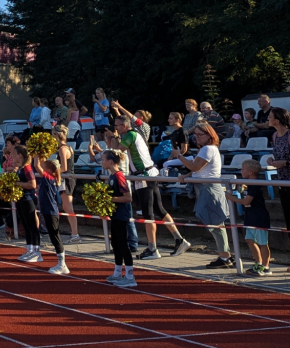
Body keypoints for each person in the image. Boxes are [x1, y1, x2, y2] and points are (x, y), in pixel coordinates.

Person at [113, 113, 190, 259]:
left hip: (143, 176)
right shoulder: (133, 134)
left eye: (116, 126)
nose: (115, 128)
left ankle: (152, 249)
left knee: (148, 213)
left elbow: (117, 153)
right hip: (149, 174)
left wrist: (105, 147)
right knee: (158, 209)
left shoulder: (130, 135)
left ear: (124, 125)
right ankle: (179, 239)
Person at [177, 123, 232, 269]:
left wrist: (179, 156)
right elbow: (197, 170)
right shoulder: (207, 149)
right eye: (195, 135)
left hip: (209, 189)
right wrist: (186, 175)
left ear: (209, 135)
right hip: (204, 188)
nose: (197, 138)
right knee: (215, 224)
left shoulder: (208, 148)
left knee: (216, 224)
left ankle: (225, 257)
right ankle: (224, 256)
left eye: (200, 135)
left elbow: (195, 167)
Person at [225, 159, 271, 276]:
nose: (241, 171)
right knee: (249, 240)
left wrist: (231, 198)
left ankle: (266, 266)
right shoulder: (249, 183)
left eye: (243, 169)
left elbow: (246, 201)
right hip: (250, 216)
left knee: (262, 242)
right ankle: (258, 262)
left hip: (259, 216)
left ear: (250, 172)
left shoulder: (255, 184)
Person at [102, 149, 135, 287]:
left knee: (123, 245)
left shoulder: (119, 176)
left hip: (122, 215)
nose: (101, 162)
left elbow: (128, 197)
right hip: (115, 214)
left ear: (110, 162)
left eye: (103, 160)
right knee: (115, 244)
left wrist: (109, 199)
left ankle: (130, 276)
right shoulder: (111, 176)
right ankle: (117, 273)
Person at [32, 157, 68, 274]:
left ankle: (62, 264)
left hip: (51, 211)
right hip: (48, 211)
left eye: (44, 167)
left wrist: (36, 154)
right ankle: (61, 263)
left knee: (55, 237)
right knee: (53, 237)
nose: (41, 167)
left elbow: (37, 166)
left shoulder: (49, 178)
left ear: (48, 170)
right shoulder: (51, 178)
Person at [51, 126, 81, 243]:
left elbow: (64, 167)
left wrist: (52, 171)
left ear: (56, 135)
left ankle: (75, 234)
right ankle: (74, 233)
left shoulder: (63, 149)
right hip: (67, 178)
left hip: (67, 179)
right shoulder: (67, 147)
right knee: (66, 206)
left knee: (68, 207)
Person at [14, 147, 41, 262]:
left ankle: (37, 252)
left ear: (20, 155)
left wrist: (17, 183)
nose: (12, 156)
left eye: (14, 154)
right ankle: (30, 249)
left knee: (32, 226)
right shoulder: (21, 168)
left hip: (28, 199)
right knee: (26, 225)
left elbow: (33, 184)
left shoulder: (27, 168)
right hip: (21, 199)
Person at [266, 107, 290, 227]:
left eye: (270, 117)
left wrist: (285, 163)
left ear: (277, 120)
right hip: (283, 182)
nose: (268, 119)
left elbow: (285, 159)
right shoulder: (275, 136)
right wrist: (272, 160)